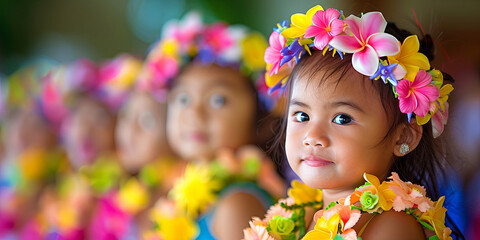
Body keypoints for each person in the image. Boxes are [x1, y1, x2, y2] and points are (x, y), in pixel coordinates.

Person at [243, 4, 464, 240]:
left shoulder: (393, 226)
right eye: (302, 116)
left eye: (342, 118)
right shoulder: (301, 214)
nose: (313, 137)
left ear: (403, 137)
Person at [143, 12, 285, 240]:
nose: (194, 114)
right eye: (183, 99)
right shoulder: (175, 194)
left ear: (260, 118)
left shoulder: (237, 204)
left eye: (218, 100)